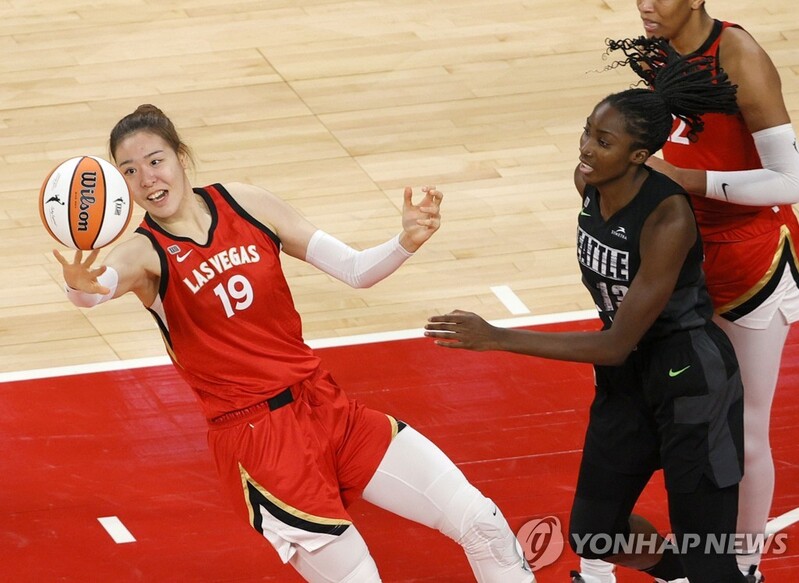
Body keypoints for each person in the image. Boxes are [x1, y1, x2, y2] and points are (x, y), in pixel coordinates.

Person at [54, 104, 534, 583]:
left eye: (155, 161)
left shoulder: (245, 203)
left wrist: (405, 240)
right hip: (257, 441)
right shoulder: (143, 252)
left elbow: (354, 270)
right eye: (130, 171)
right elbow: (96, 291)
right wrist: (79, 285)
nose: (147, 179)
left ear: (181, 157)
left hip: (326, 406)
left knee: (483, 524)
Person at [425, 36, 749, 583]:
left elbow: (616, 341)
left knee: (711, 556)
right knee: (594, 530)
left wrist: (498, 336)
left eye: (604, 141)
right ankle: (680, 574)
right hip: (626, 381)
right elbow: (619, 350)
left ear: (640, 156)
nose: (586, 148)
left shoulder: (667, 218)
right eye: (587, 132)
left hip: (690, 378)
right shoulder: (588, 184)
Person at [579, 3, 799, 581]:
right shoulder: (658, 49)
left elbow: (791, 178)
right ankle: (619, 561)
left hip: (749, 257)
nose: (645, 4)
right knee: (636, 404)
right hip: (679, 247)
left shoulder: (739, 54)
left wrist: (690, 181)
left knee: (742, 428)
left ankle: (744, 567)